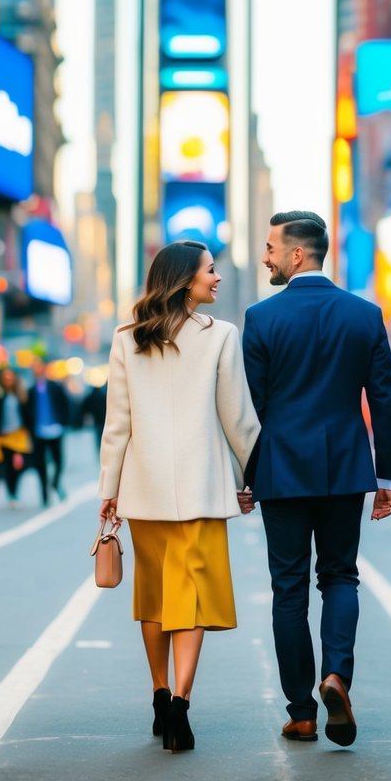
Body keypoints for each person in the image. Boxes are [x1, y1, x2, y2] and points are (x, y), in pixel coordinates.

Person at [241, 211, 391, 748]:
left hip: (281, 470)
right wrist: (388, 477)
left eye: (270, 248)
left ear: (296, 255)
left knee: (288, 591)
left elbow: (252, 409)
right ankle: (337, 675)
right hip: (344, 469)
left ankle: (301, 713)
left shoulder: (261, 319)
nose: (265, 256)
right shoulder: (365, 315)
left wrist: (245, 476)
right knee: (340, 577)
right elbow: (383, 400)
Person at [99, 240, 260, 754]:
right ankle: (181, 706)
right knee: (189, 596)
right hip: (201, 490)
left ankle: (159, 691)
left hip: (142, 490)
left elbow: (116, 426)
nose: (216, 278)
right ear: (185, 279)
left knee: (152, 596)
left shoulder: (128, 338)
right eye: (210, 271)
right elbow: (238, 419)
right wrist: (249, 475)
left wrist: (109, 492)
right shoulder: (221, 337)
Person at [0, 368, 32, 504]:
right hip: (3, 436)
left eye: (10, 377)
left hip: (19, 435)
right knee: (8, 466)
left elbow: (28, 413)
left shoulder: (21, 394)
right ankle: (11, 492)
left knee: (19, 466)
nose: (8, 380)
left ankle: (14, 490)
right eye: (5, 378)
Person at [27, 359, 70, 505]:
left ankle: (55, 483)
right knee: (40, 464)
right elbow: (27, 411)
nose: (37, 370)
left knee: (59, 462)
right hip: (38, 432)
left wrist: (63, 422)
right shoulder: (31, 390)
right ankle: (44, 495)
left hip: (55, 429)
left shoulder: (55, 387)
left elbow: (65, 404)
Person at [81, 381, 107, 458]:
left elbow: (85, 408)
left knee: (98, 438)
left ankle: (100, 452)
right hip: (103, 420)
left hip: (97, 421)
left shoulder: (90, 396)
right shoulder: (103, 396)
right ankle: (104, 452)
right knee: (104, 436)